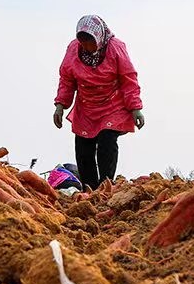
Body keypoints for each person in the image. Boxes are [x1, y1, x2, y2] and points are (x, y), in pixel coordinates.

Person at [52, 14, 144, 190]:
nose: (87, 46)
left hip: (112, 105)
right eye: (83, 42)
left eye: (90, 41)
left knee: (106, 143)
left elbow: (128, 79)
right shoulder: (73, 50)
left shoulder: (116, 48)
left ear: (99, 37)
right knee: (83, 149)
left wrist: (135, 108)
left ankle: (105, 186)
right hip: (86, 107)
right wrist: (60, 106)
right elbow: (66, 79)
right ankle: (89, 189)